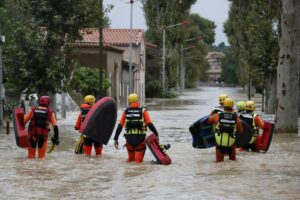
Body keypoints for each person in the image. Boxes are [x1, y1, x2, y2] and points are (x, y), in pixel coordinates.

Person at [113, 93, 159, 163]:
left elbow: (120, 126)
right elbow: (149, 124)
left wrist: (116, 139)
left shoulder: (126, 111)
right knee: (138, 163)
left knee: (131, 161)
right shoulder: (143, 111)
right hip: (140, 140)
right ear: (137, 101)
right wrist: (156, 135)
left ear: (129, 101)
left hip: (129, 141)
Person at [207, 98, 243, 162]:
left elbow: (208, 121)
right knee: (233, 165)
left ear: (223, 106)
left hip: (219, 145)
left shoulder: (217, 115)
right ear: (232, 106)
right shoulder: (236, 117)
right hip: (231, 145)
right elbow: (240, 131)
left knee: (219, 164)